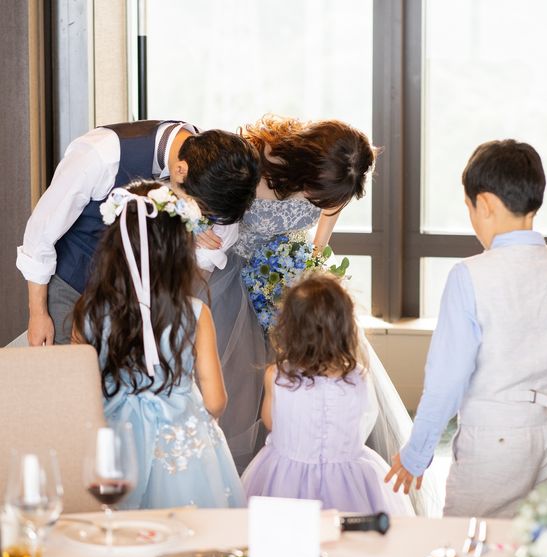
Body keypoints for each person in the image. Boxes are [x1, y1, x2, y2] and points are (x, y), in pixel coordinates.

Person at [202, 115, 442, 516]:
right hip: (233, 277)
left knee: (322, 359)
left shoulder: (339, 180)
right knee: (245, 378)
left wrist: (307, 268)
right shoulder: (251, 158)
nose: (321, 202)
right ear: (305, 162)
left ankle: (325, 470)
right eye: (318, 192)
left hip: (288, 281)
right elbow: (206, 196)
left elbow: (321, 231)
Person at [386, 139, 547, 518]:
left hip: (495, 440)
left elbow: (447, 378)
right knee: (544, 546)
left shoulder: (469, 276)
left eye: (469, 207)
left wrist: (417, 453)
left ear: (485, 203)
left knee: (471, 542)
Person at [72, 179, 246, 509]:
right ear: (178, 251)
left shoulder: (89, 312)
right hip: (179, 448)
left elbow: (79, 390)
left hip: (114, 445)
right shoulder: (195, 313)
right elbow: (215, 401)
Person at [17, 120, 260, 346]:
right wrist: (38, 313)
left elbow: (207, 256)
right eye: (201, 211)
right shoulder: (100, 154)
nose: (204, 219)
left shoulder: (221, 175)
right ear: (180, 170)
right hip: (73, 286)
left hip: (141, 308)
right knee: (70, 374)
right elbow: (41, 233)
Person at [242, 273, 414, 516]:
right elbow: (363, 423)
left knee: (283, 529)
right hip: (348, 478)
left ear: (290, 328)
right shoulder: (358, 377)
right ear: (345, 327)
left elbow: (271, 421)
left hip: (285, 476)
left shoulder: (277, 376)